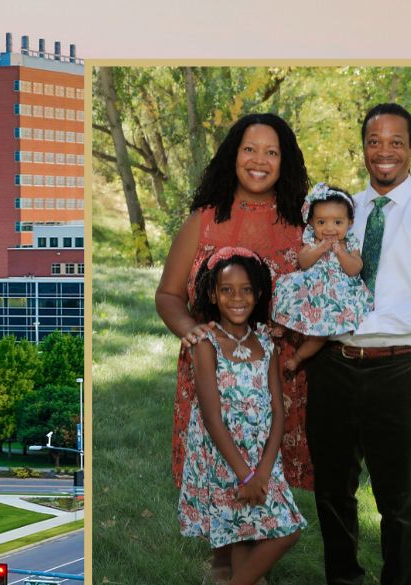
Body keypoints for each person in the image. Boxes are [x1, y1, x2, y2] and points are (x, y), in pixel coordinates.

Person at [306, 103, 411, 585]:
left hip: (394, 374)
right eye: (375, 141)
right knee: (332, 493)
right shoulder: (340, 213)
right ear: (364, 149)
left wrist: (352, 320)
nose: (385, 151)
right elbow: (312, 282)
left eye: (396, 142)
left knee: (398, 501)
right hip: (331, 369)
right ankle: (345, 580)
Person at [155, 113, 314, 583]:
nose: (259, 160)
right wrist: (190, 329)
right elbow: (168, 295)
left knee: (265, 473)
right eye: (249, 149)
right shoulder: (204, 220)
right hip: (213, 370)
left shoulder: (302, 222)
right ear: (233, 155)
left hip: (279, 372)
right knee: (223, 472)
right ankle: (226, 567)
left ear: (285, 162)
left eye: (271, 151)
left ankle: (246, 568)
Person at [178, 247, 305, 585]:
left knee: (281, 529)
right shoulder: (206, 343)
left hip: (262, 456)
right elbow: (210, 416)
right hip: (223, 456)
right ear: (212, 294)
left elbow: (278, 411)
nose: (237, 297)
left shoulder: (266, 341)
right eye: (227, 290)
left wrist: (263, 470)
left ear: (258, 293)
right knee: (243, 527)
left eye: (246, 289)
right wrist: (244, 474)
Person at [272, 183, 372, 370]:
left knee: (321, 334)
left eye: (337, 222)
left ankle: (298, 358)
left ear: (350, 222)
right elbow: (303, 261)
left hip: (335, 297)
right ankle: (283, 323)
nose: (329, 229)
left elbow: (355, 268)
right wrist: (320, 248)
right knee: (289, 290)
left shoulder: (351, 243)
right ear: (311, 223)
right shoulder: (312, 239)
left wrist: (341, 253)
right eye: (321, 222)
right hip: (310, 289)